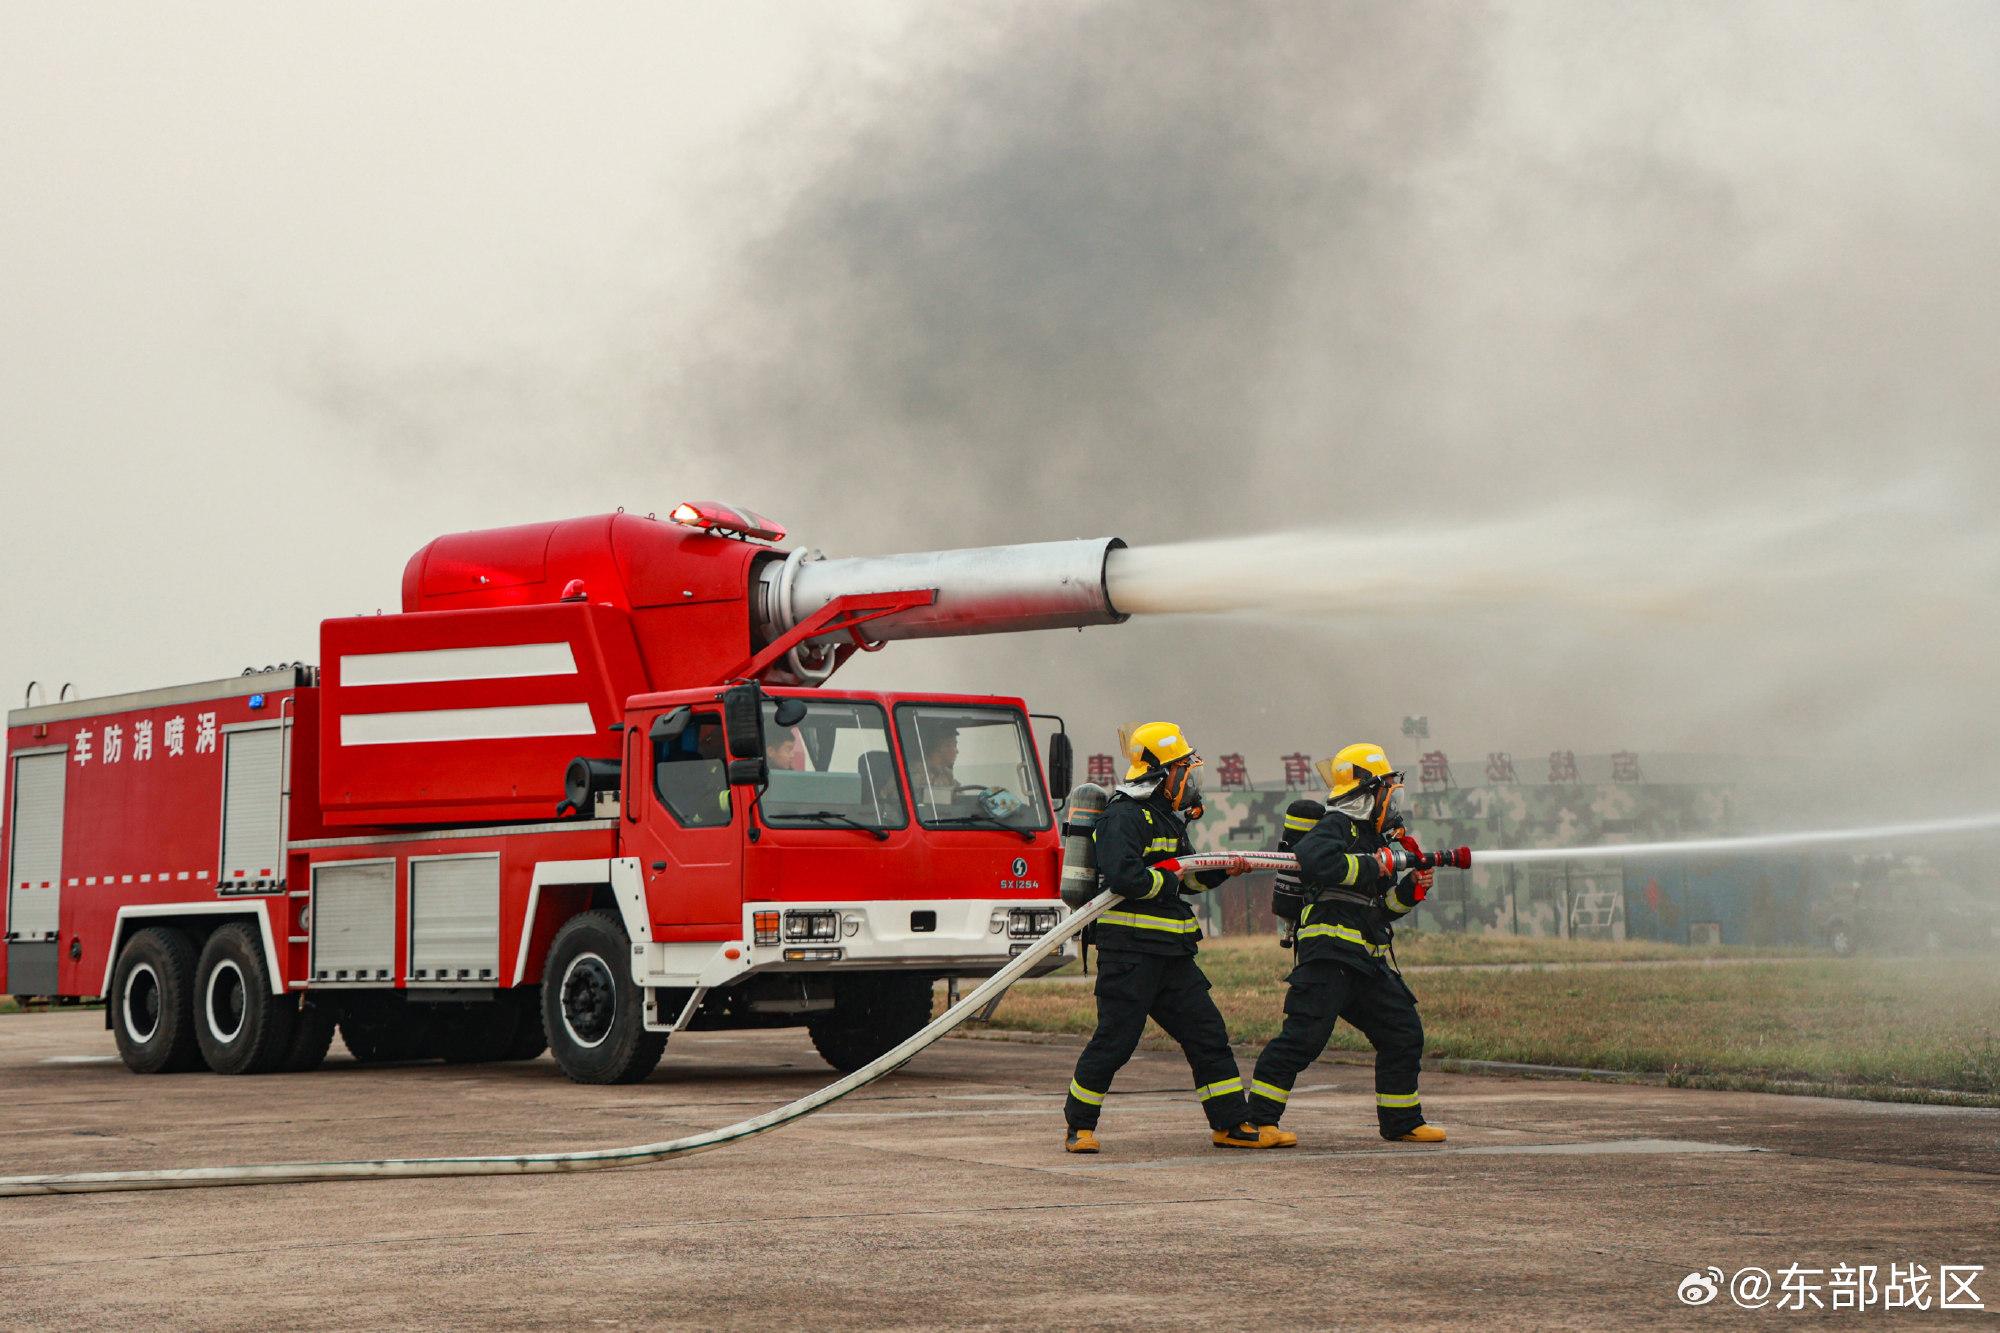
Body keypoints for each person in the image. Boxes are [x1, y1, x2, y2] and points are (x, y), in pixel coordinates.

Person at [1063, 722, 1290, 1153]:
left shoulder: (1167, 819)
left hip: (1172, 954)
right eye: (1181, 769)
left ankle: (1230, 1123)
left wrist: (1222, 869)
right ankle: (1079, 1125)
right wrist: (1169, 877)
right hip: (1129, 955)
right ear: (1158, 771)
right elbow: (1128, 879)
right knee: (1116, 1042)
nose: (1188, 779)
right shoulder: (1122, 817)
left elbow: (1185, 881)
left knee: (1207, 1033)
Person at [1246, 742, 1446, 1144]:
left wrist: (1409, 892)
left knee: (1402, 1031)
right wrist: (1377, 863)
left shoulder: (1375, 838)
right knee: (1304, 1038)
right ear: (1369, 792)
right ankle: (1257, 1120)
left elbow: (1380, 910)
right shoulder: (1337, 825)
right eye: (1387, 790)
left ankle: (1401, 1121)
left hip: (1364, 960)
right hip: (1329, 954)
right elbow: (1316, 860)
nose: (1393, 801)